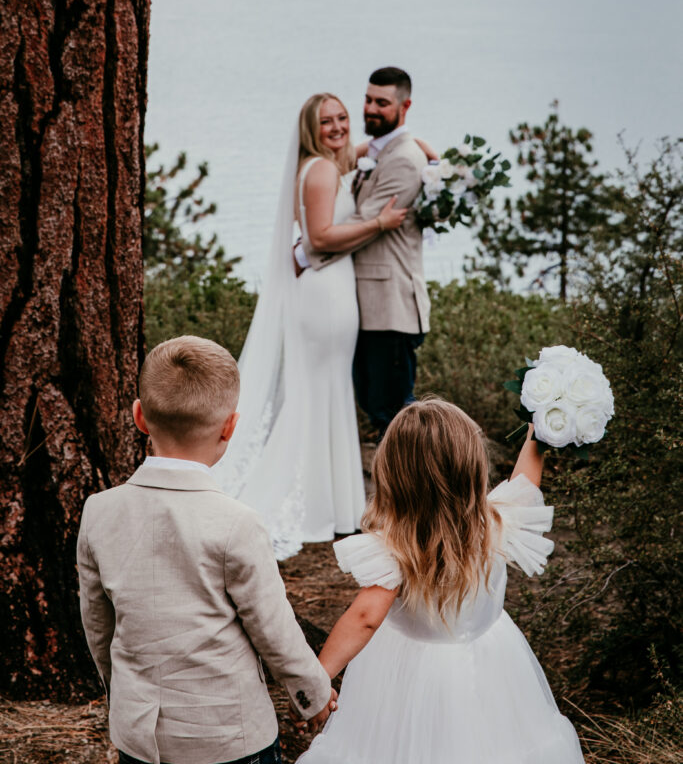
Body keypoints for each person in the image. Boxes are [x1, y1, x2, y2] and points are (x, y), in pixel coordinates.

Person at [77, 335, 336, 764]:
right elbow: (274, 631)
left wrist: (122, 692)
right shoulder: (237, 523)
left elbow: (98, 626)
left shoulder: (99, 512)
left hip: (139, 737)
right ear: (230, 426)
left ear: (140, 417)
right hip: (229, 738)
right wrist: (314, 694)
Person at [297, 399, 586, 764]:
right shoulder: (497, 524)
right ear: (472, 466)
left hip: (409, 673)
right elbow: (526, 482)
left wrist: (318, 680)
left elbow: (365, 618)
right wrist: (538, 431)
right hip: (494, 662)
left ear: (393, 474)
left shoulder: (395, 548)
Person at [212, 94, 407, 559]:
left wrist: (407, 143)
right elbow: (319, 237)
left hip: (327, 291)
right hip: (324, 294)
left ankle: (334, 505)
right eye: (327, 122)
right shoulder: (320, 170)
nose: (339, 128)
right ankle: (319, 505)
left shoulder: (324, 164)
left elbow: (361, 150)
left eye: (342, 118)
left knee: (325, 391)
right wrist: (379, 222)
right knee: (317, 393)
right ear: (310, 129)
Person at [306, 66, 430, 438]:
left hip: (390, 308)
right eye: (367, 99)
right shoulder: (385, 149)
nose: (370, 109)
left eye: (382, 103)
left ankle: (403, 494)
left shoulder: (404, 159)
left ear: (404, 106)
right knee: (379, 411)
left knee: (392, 418)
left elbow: (364, 221)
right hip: (371, 307)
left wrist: (310, 250)